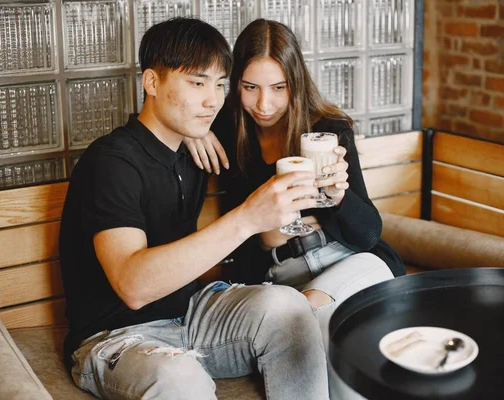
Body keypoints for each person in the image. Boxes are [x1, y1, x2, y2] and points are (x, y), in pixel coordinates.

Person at [58, 17, 329, 400]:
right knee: (179, 376)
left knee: (289, 307)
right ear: (151, 83)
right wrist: (248, 218)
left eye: (220, 85)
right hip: (115, 336)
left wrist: (194, 135)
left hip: (190, 315)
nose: (213, 100)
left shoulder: (193, 151)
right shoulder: (110, 162)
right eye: (197, 83)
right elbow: (133, 286)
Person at [185, 19, 405, 348]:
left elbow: (369, 233)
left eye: (278, 87)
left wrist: (340, 197)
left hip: (349, 259)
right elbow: (151, 126)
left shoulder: (328, 130)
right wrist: (191, 132)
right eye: (250, 87)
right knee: (313, 323)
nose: (264, 104)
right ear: (235, 83)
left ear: (296, 83)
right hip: (281, 274)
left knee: (308, 316)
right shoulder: (226, 131)